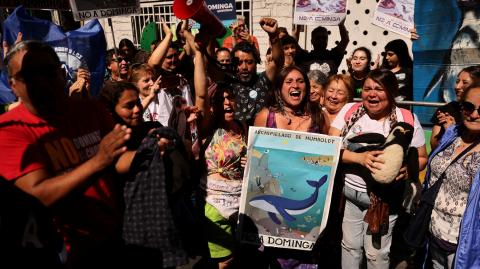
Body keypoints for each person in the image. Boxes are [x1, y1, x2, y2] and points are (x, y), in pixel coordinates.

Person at [0, 40, 131, 268]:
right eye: (29, 75)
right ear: (13, 85)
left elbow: (117, 160)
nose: (41, 80)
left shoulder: (91, 109)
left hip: (112, 237)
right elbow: (38, 195)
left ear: (62, 73)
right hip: (62, 253)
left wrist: (149, 153)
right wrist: (98, 161)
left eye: (48, 71)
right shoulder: (9, 130)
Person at [329, 69, 427, 269]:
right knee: (349, 247)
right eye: (367, 89)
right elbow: (330, 149)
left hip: (385, 201)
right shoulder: (350, 111)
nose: (371, 94)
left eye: (379, 89)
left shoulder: (406, 118)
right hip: (350, 198)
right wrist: (359, 157)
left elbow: (422, 157)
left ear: (391, 92)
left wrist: (408, 170)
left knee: (377, 254)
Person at [99, 81, 191, 268]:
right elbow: (119, 164)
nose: (137, 110)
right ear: (111, 110)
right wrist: (151, 148)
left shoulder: (150, 129)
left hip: (165, 219)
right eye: (128, 106)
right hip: (131, 226)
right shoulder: (110, 139)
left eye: (138, 103)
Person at [254, 66, 330, 268]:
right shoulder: (264, 116)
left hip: (306, 208)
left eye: (300, 81)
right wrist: (249, 160)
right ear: (278, 88)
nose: (295, 85)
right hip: (273, 215)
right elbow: (254, 154)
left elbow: (329, 156)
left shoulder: (319, 117)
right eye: (288, 81)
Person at [192, 35, 248, 269]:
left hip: (241, 204)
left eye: (231, 98)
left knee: (238, 258)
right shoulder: (209, 126)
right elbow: (202, 94)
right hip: (214, 204)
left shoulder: (243, 127)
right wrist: (198, 56)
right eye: (221, 99)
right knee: (224, 262)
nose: (227, 102)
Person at [422, 85, 480, 269]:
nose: (474, 115)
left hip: (464, 244)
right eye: (469, 107)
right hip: (433, 231)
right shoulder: (453, 134)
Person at [227, 18, 282, 125]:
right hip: (237, 140)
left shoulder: (264, 80)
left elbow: (278, 62)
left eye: (249, 62)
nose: (244, 67)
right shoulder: (229, 84)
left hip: (261, 138)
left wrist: (274, 36)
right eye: (239, 62)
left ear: (256, 62)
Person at [147, 19, 194, 126]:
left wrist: (185, 32)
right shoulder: (155, 75)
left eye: (175, 55)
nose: (174, 59)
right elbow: (153, 63)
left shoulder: (181, 72)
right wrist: (169, 35)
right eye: (169, 57)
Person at [430, 65, 480, 150]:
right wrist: (448, 132)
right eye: (457, 81)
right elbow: (434, 146)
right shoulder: (447, 110)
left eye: (465, 82)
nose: (457, 87)